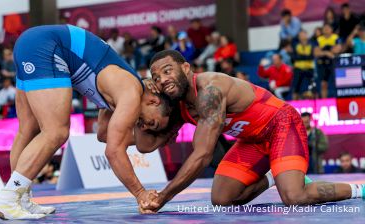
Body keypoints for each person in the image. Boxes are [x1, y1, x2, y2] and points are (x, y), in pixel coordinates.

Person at [137, 49, 365, 213]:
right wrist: (134, 101)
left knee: (295, 196)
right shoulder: (177, 104)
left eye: (168, 71)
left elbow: (203, 155)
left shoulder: (210, 90)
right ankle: (272, 177)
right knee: (222, 199)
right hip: (252, 139)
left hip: (281, 125)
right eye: (157, 78)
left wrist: (163, 197)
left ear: (186, 68)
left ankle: (359, 189)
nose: (163, 80)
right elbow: (145, 145)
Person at [0, 25, 159, 220]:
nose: (144, 126)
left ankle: (20, 198)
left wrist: (156, 135)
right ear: (154, 100)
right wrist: (140, 193)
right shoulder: (130, 91)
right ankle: (9, 197)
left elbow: (104, 135)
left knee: (28, 129)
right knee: (56, 132)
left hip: (31, 41)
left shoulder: (120, 90)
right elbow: (114, 150)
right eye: (151, 122)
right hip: (46, 46)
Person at [314, 23, 342, 98]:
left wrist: (323, 50)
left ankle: (338, 99)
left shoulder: (335, 38)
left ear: (331, 29)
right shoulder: (319, 39)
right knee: (323, 84)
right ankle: (324, 101)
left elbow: (337, 50)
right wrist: (327, 52)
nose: (326, 30)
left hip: (333, 63)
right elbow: (316, 53)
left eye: (328, 28)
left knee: (337, 82)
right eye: (324, 28)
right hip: (323, 64)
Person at [291, 30, 315, 100]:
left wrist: (300, 56)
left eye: (303, 34)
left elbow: (312, 56)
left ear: (306, 35)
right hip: (298, 69)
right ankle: (294, 105)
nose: (302, 36)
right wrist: (306, 56)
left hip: (309, 69)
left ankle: (314, 104)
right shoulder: (295, 45)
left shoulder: (312, 44)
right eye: (300, 35)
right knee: (295, 88)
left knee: (312, 88)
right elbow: (294, 57)